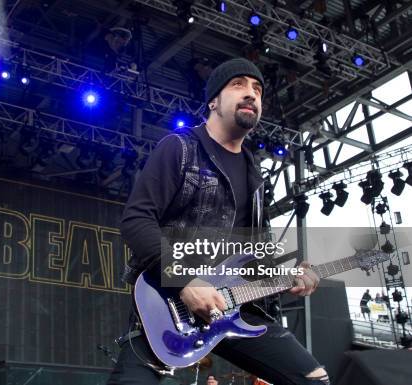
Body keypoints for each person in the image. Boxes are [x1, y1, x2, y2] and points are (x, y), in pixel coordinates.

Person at [107, 58, 329, 385]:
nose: (251, 93)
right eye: (239, 84)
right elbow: (137, 220)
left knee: (314, 379)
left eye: (257, 89)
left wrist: (290, 274)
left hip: (236, 308)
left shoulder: (255, 178)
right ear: (213, 100)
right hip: (170, 307)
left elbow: (253, 254)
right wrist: (185, 281)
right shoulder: (180, 148)